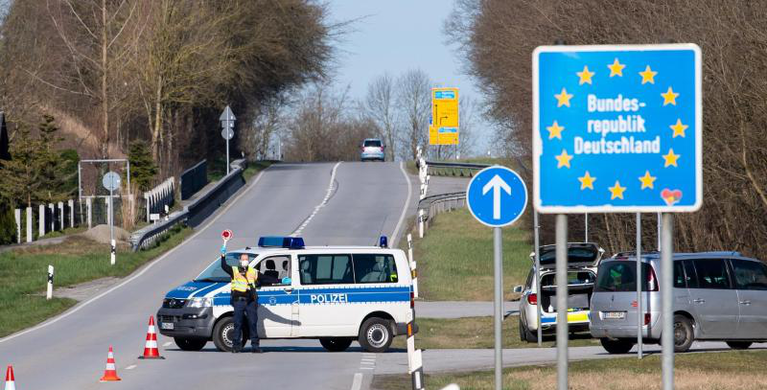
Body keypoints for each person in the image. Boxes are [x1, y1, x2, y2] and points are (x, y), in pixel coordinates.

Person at [220, 244, 262, 353]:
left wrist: (281, 280)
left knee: (252, 323)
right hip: (238, 300)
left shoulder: (252, 271)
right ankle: (236, 346)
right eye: (243, 259)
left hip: (250, 301)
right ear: (239, 260)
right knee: (237, 324)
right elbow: (224, 266)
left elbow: (264, 277)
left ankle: (255, 346)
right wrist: (223, 256)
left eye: (246, 259)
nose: (245, 261)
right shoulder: (234, 270)